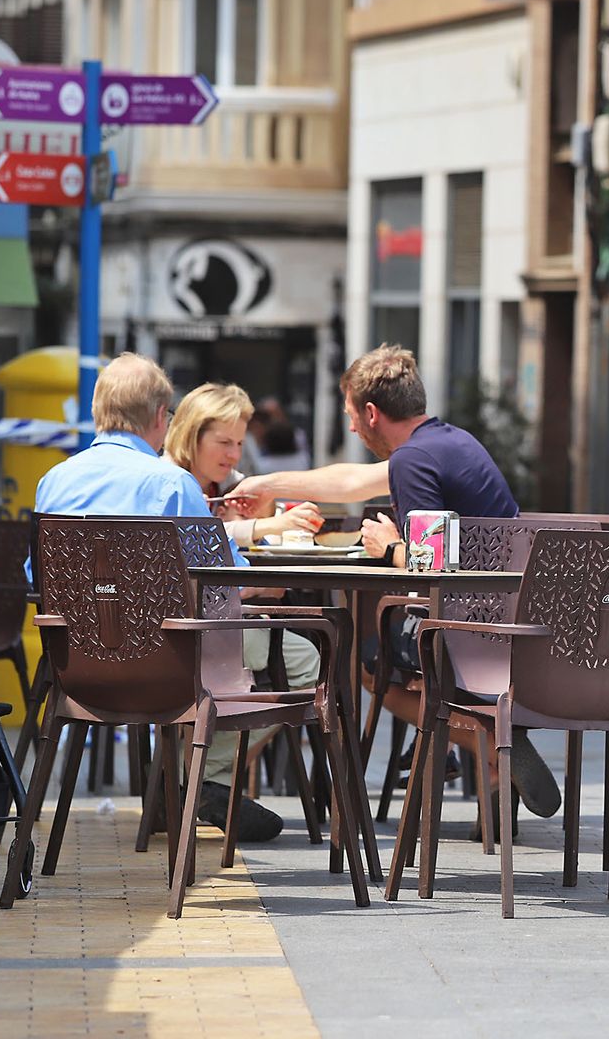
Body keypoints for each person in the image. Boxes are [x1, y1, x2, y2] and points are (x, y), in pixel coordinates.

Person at [230, 345, 558, 819]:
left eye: (351, 417)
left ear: (371, 412)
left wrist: (387, 546)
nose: (351, 429)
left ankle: (487, 746)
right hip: (511, 624)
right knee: (393, 647)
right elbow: (351, 482)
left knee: (367, 664)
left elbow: (432, 569)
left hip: (466, 632)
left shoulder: (413, 460)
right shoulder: (450, 443)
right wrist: (268, 485)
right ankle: (487, 756)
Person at [32, 354, 312, 842]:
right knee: (297, 658)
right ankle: (204, 781)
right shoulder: (171, 485)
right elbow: (221, 585)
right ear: (162, 417)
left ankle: (191, 784)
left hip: (77, 673)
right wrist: (265, 584)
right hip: (168, 674)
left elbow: (38, 578)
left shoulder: (53, 482)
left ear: (98, 410)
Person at [163, 382, 325, 547]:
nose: (235, 455)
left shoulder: (234, 482)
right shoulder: (162, 483)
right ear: (190, 438)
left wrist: (264, 509)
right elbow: (190, 538)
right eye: (224, 442)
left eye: (240, 443)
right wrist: (268, 525)